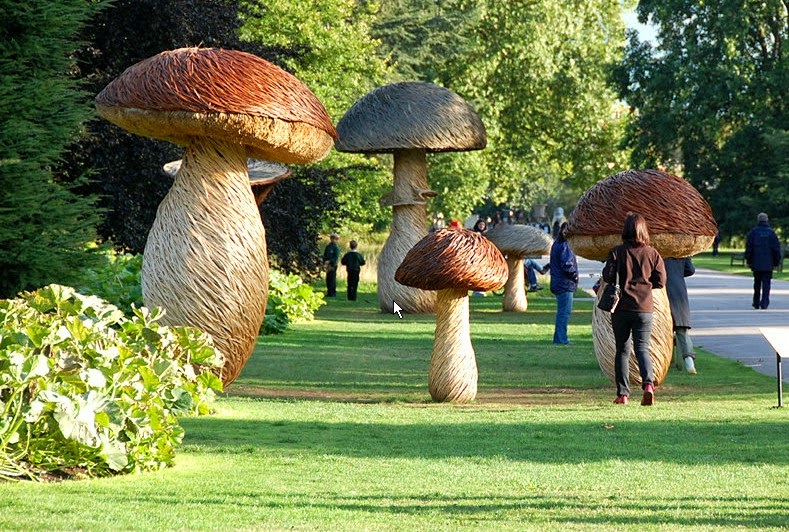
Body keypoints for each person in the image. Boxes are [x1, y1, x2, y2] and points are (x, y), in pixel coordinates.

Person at [602, 213, 666, 406]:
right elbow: (661, 281)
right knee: (642, 349)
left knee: (622, 350)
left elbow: (607, 276)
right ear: (644, 230)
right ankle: (648, 385)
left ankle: (622, 394)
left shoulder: (617, 252)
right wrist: (646, 286)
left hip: (621, 308)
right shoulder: (653, 253)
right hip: (644, 308)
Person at [664, 257, 697, 374]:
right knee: (681, 329)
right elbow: (690, 270)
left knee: (660, 330)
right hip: (678, 290)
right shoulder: (681, 252)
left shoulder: (656, 250)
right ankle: (689, 362)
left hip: (661, 291)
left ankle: (662, 363)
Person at [549, 222, 578, 345]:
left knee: (562, 312)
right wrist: (574, 276)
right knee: (564, 312)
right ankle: (561, 339)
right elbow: (567, 264)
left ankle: (559, 337)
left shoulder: (557, 244)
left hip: (558, 282)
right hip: (565, 283)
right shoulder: (565, 245)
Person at [744, 212, 781, 310]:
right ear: (767, 220)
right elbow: (776, 249)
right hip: (768, 263)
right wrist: (776, 262)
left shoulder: (753, 232)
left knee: (757, 283)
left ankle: (756, 302)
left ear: (758, 220)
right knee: (766, 284)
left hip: (756, 263)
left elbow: (749, 248)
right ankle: (764, 303)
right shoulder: (771, 233)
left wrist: (748, 260)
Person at [322, 233, 341, 297]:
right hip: (327, 264)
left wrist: (330, 261)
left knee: (332, 278)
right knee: (328, 279)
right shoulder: (328, 246)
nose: (334, 240)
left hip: (333, 265)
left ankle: (333, 293)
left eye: (336, 239)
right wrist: (324, 261)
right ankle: (329, 292)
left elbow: (336, 257)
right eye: (333, 238)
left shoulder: (336, 247)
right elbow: (325, 255)